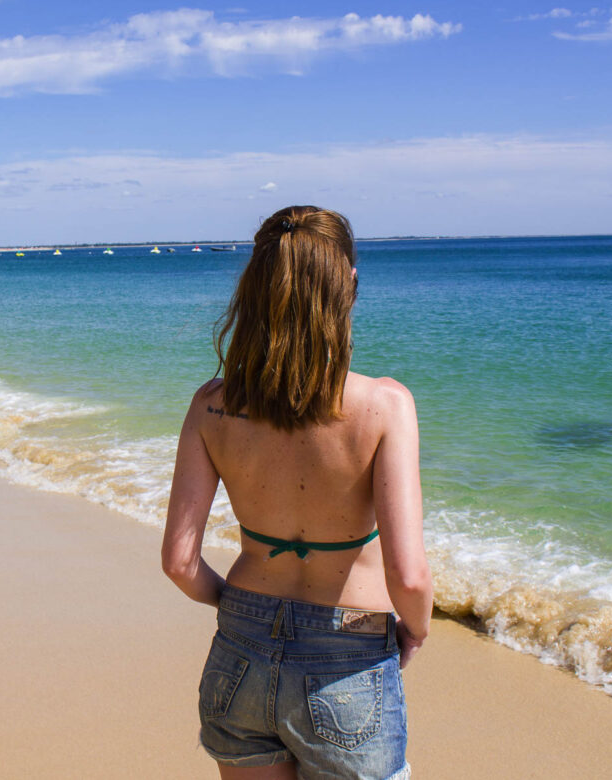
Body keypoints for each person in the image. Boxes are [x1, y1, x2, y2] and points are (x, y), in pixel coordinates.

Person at [162, 205, 432, 779]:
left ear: (256, 288)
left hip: (238, 656)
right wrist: (415, 629)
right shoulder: (385, 406)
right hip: (347, 657)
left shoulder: (212, 405)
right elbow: (408, 577)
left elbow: (179, 563)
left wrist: (241, 610)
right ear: (348, 284)